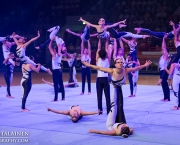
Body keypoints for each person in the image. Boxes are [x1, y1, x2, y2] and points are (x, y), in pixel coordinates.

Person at [82, 58, 152, 137]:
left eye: (121, 62)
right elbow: (99, 68)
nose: (120, 63)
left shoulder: (125, 70)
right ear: (115, 64)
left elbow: (136, 68)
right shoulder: (112, 70)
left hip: (120, 91)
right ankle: (119, 125)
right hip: (115, 90)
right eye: (118, 62)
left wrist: (145, 65)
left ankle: (121, 124)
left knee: (121, 107)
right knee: (114, 107)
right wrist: (88, 65)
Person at [95, 38, 111, 115]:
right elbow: (107, 49)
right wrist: (107, 40)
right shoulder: (108, 60)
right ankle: (108, 111)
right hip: (106, 79)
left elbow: (98, 49)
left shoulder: (98, 60)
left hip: (99, 79)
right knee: (107, 96)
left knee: (99, 96)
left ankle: (100, 111)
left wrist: (100, 39)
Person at [157, 35, 170, 102]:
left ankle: (167, 98)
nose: (162, 50)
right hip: (161, 71)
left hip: (164, 71)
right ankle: (165, 97)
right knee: (163, 85)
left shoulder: (166, 56)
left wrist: (163, 39)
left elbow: (164, 47)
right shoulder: (162, 56)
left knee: (165, 85)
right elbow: (163, 47)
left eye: (163, 50)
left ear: (166, 52)